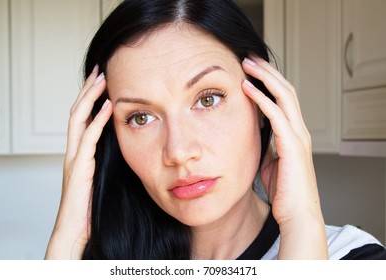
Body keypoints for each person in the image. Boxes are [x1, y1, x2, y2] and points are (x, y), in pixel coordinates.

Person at [45, 0, 386, 260]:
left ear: (263, 104)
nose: (178, 152)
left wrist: (301, 221)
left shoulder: (351, 258)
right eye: (140, 117)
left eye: (208, 99)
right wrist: (69, 237)